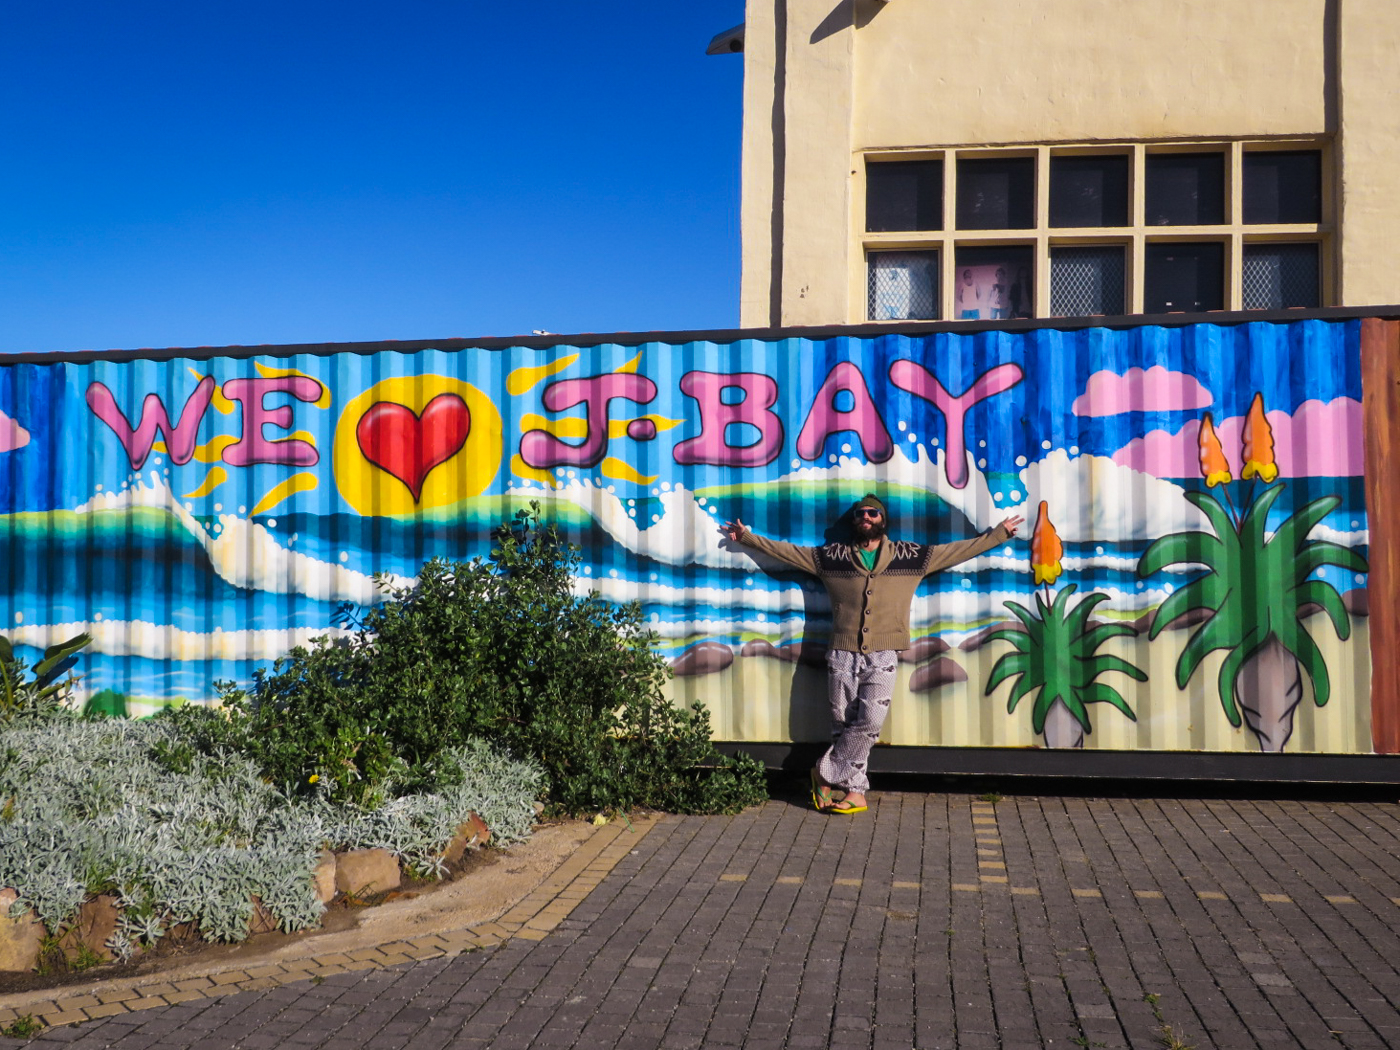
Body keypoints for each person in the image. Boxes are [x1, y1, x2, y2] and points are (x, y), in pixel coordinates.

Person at [723, 494, 1022, 815]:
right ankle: (855, 793)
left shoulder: (910, 556)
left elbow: (955, 551)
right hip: (841, 653)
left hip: (883, 655)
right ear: (854, 521)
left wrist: (998, 535)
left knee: (868, 723)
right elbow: (790, 553)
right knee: (842, 725)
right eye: (860, 513)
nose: (866, 517)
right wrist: (748, 538)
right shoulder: (832, 557)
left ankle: (822, 774)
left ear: (883, 519)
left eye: (873, 512)